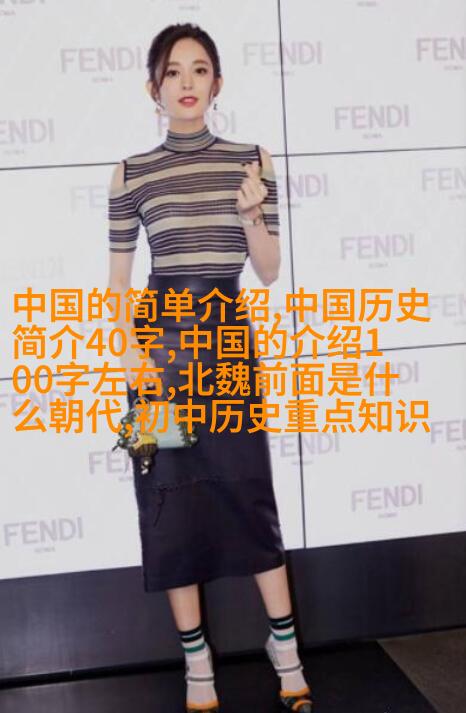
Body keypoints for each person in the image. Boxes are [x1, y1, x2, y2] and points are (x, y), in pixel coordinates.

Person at [107, 22, 313, 713]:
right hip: (157, 350)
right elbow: (117, 285)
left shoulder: (252, 161)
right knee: (166, 501)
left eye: (199, 70)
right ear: (154, 88)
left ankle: (285, 647)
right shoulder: (131, 173)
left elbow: (269, 269)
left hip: (227, 344)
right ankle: (197, 663)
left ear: (217, 83)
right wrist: (131, 357)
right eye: (173, 71)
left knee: (248, 489)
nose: (187, 83)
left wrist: (253, 214)